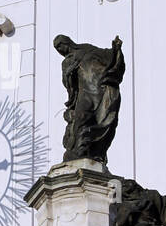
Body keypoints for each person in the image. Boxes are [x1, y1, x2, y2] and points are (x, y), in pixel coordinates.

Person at [53, 34, 125, 164]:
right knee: (81, 118)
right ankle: (79, 151)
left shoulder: (85, 49)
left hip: (98, 89)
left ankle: (93, 151)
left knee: (100, 118)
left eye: (60, 45)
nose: (60, 49)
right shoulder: (66, 62)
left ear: (67, 42)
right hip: (83, 93)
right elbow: (67, 84)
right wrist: (69, 73)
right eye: (57, 48)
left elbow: (104, 56)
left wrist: (115, 50)